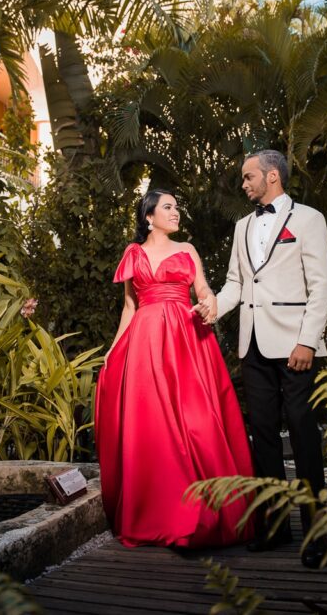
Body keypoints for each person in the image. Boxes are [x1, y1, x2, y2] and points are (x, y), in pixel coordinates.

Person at [95, 189, 256, 548]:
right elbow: (128, 307)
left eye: (177, 207)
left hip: (185, 339)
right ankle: (160, 512)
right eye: (168, 207)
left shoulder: (187, 250)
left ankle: (207, 507)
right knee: (152, 423)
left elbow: (204, 291)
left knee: (196, 419)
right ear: (149, 217)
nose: (176, 212)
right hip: (144, 344)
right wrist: (114, 347)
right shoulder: (132, 254)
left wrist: (208, 303)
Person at [198, 149, 327, 569]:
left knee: (304, 437)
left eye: (248, 177)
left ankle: (318, 534)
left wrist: (307, 342)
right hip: (253, 347)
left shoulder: (309, 219)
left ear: (272, 176)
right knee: (263, 439)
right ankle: (275, 527)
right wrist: (214, 307)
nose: (244, 184)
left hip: (296, 348)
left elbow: (322, 285)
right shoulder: (242, 227)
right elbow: (238, 282)